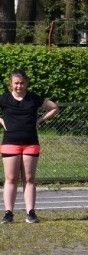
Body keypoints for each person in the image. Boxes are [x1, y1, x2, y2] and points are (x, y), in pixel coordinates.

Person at [0, 69, 59, 224]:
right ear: (10, 84)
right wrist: (1, 121)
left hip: (30, 143)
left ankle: (30, 213)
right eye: (16, 83)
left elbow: (54, 107)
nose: (19, 86)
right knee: (11, 178)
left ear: (26, 83)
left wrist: (39, 120)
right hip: (10, 143)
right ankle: (8, 213)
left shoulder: (33, 98)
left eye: (22, 83)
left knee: (29, 178)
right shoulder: (4, 99)